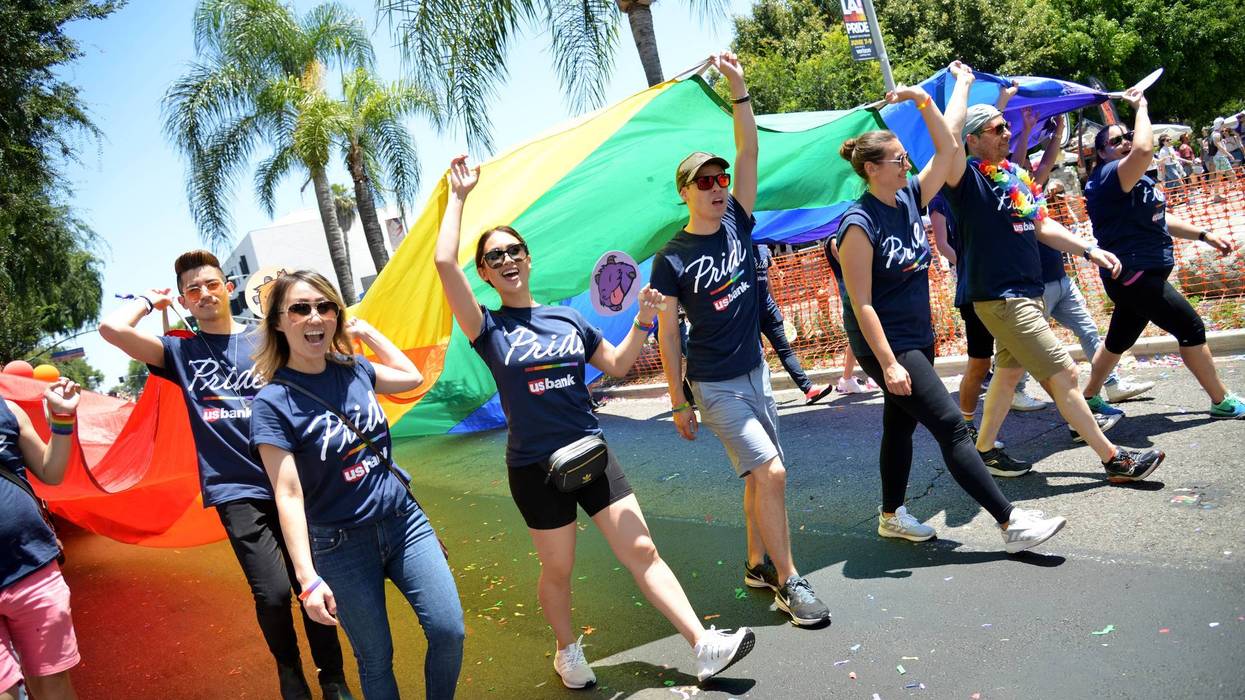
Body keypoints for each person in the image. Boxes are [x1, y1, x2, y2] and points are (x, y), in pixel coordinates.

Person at [434, 155, 755, 688]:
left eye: (515, 250)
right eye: (495, 256)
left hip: (591, 451)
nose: (508, 259)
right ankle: (567, 650)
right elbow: (446, 264)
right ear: (486, 273)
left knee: (643, 551)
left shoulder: (567, 317)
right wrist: (459, 197)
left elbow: (618, 364)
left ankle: (703, 645)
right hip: (536, 469)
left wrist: (645, 322)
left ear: (529, 259)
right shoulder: (487, 327)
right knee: (558, 570)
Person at [98, 251, 353, 700]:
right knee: (273, 593)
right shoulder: (179, 350)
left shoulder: (267, 338)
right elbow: (112, 331)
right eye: (192, 290)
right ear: (184, 298)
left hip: (295, 478)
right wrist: (147, 300)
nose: (204, 294)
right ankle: (289, 671)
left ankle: (332, 676)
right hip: (235, 488)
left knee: (309, 578)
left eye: (211, 284)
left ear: (228, 288)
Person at [835, 64, 1067, 552]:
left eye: (904, 159)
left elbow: (948, 146)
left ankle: (891, 515)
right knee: (952, 428)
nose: (905, 165)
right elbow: (862, 303)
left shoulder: (909, 198)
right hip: (888, 343)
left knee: (898, 424)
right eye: (898, 160)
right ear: (872, 168)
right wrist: (891, 363)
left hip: (916, 334)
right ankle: (1010, 523)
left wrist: (931, 99)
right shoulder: (858, 224)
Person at [651, 52, 831, 628]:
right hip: (715, 385)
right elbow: (668, 334)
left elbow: (751, 150)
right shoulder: (670, 260)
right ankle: (789, 582)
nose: (717, 187)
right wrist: (678, 402)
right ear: (685, 192)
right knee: (772, 473)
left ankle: (756, 564)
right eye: (704, 182)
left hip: (756, 374)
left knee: (761, 473)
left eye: (720, 178)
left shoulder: (738, 222)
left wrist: (740, 88)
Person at [250, 271, 465, 699]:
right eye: (300, 308)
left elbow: (411, 377)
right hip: (339, 544)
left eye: (324, 307)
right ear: (278, 322)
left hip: (404, 522)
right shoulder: (272, 403)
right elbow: (288, 494)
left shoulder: (355, 368)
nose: (315, 317)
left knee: (449, 630)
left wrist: (364, 331)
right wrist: (307, 577)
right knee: (375, 659)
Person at [943, 93, 1166, 484]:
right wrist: (962, 87)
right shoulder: (965, 179)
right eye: (997, 129)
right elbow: (948, 137)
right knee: (1063, 372)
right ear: (972, 139)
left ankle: (985, 449)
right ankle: (1114, 460)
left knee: (1008, 373)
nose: (1006, 133)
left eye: (1006, 126)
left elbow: (1043, 226)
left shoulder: (1013, 176)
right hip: (1001, 297)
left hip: (1027, 292)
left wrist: (1089, 249)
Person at [1078, 95, 1244, 419]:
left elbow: (1159, 218)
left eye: (1127, 136)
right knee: (1191, 328)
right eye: (1116, 141)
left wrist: (1204, 235)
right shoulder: (1109, 177)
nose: (1126, 142)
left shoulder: (1134, 179)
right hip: (1136, 275)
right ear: (1101, 153)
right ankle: (1221, 400)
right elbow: (1143, 149)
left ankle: (1089, 397)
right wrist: (1141, 107)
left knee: (1117, 340)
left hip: (1134, 275)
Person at [1007, 109, 1155, 433]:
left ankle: (1111, 384)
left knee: (1089, 330)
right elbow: (1021, 165)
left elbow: (1044, 163)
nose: (1035, 171)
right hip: (1036, 286)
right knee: (1026, 351)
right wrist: (1029, 127)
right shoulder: (1009, 189)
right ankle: (1014, 392)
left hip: (1059, 279)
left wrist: (1057, 132)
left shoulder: (1032, 189)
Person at [1, 379, 82, 700]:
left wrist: (62, 419)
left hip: (33, 567)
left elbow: (51, 472)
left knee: (54, 686)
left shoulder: (8, 410)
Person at [754, 243, 832, 404]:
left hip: (768, 309)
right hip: (749, 313)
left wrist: (774, 305)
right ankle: (761, 397)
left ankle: (809, 389)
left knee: (785, 350)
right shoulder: (737, 248)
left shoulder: (762, 247)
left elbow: (767, 278)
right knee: (757, 356)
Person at [822, 237, 880, 394]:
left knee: (862, 332)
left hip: (855, 288)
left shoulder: (840, 236)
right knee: (859, 333)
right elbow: (848, 261)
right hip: (851, 289)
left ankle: (852, 378)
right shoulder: (833, 240)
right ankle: (848, 378)